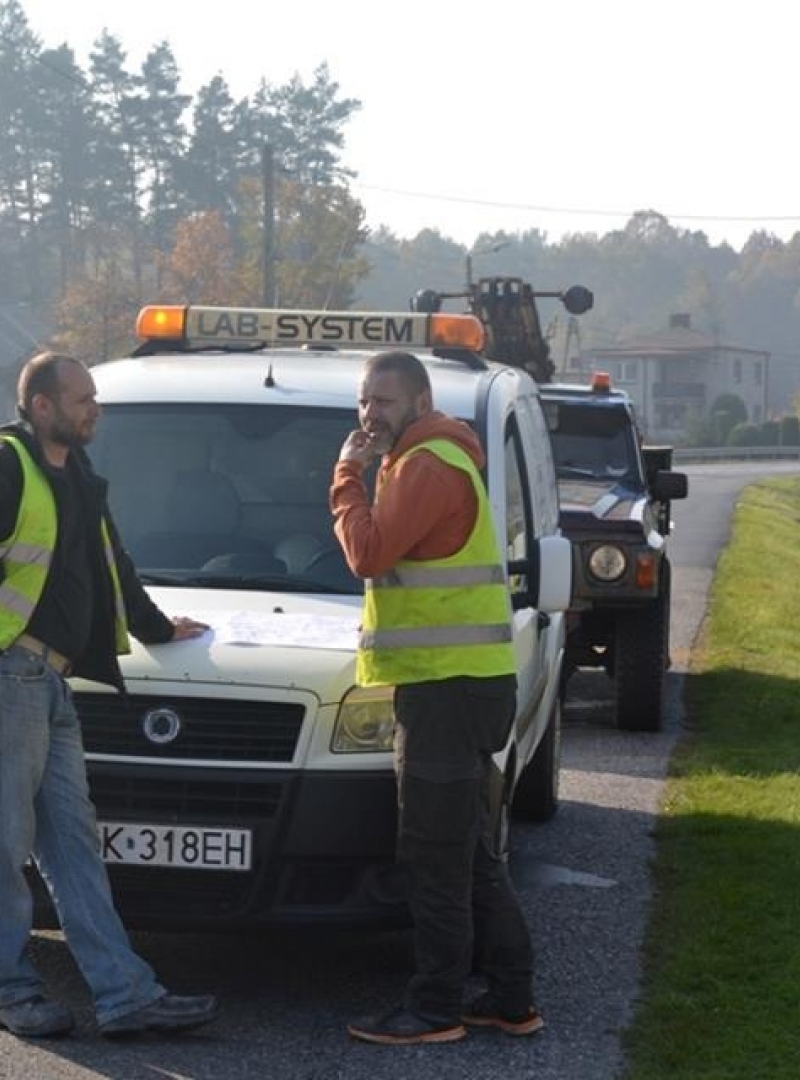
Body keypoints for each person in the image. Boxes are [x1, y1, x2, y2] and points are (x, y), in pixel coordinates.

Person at [0, 351, 219, 1040]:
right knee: (1, 838)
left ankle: (125, 994)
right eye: (81, 398)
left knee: (72, 843)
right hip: (2, 670)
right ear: (43, 406)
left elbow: (112, 564)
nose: (93, 409)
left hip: (47, 678)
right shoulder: (6, 462)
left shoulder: (76, 475)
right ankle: (7, 990)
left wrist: (153, 626)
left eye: (95, 398)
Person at [330, 350, 543, 1046]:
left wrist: (344, 478)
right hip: (462, 685)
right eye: (364, 401)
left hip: (447, 693)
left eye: (384, 403)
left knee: (436, 863)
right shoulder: (430, 459)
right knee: (470, 855)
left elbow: (367, 553)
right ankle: (509, 1000)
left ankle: (435, 1010)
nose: (369, 415)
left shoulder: (424, 465)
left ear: (420, 403)